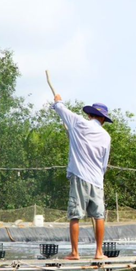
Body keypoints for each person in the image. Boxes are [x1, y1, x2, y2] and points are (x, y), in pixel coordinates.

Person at [52, 94, 112, 260]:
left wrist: (58, 100)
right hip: (97, 180)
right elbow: (104, 163)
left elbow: (61, 109)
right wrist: (99, 176)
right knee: (99, 215)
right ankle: (99, 252)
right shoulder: (106, 136)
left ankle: (75, 252)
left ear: (91, 115)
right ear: (102, 119)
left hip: (80, 177)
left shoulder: (79, 123)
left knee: (75, 215)